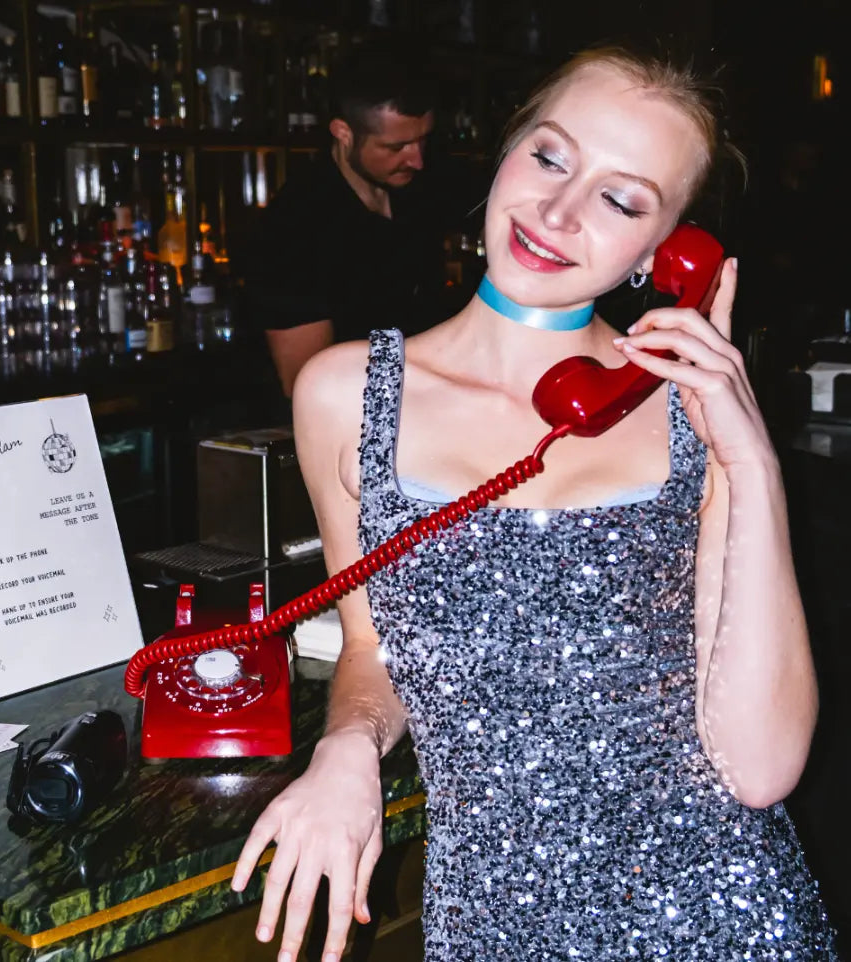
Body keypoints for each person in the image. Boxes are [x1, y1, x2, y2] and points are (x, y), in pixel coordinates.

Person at [229, 44, 841, 961]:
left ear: (668, 253)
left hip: (724, 915)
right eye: (551, 157)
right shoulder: (343, 394)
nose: (557, 213)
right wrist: (347, 748)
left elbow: (759, 771)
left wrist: (749, 465)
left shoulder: (689, 411)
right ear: (507, 154)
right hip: (494, 918)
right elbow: (372, 644)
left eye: (621, 199)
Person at [240, 42, 487, 401]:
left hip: (438, 408)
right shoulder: (294, 228)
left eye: (423, 141)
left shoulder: (429, 184)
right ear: (343, 133)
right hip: (356, 432)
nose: (416, 159)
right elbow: (309, 387)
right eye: (395, 147)